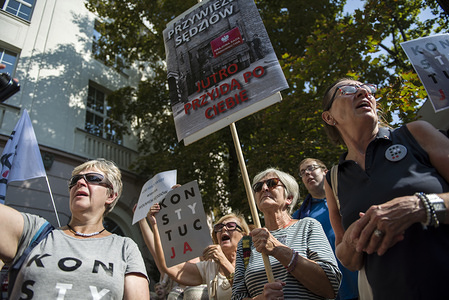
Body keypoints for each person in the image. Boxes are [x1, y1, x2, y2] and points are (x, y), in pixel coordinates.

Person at [320, 78, 449, 299]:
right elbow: (346, 258)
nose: (363, 92)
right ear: (329, 117)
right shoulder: (334, 179)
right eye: (348, 90)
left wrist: (420, 206)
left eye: (368, 88)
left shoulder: (415, 134)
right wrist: (353, 241)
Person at [0, 158, 149, 299]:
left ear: (111, 196)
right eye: (75, 180)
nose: (81, 182)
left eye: (93, 178)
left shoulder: (125, 248)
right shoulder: (33, 232)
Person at [232, 168, 342, 300]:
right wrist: (261, 299)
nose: (264, 188)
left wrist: (278, 250)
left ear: (289, 198)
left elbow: (330, 286)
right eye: (258, 186)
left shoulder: (307, 226)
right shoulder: (246, 243)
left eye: (272, 183)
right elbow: (237, 296)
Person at [147, 202, 250, 299]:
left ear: (243, 235)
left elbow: (246, 291)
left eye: (230, 226)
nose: (223, 229)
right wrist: (156, 226)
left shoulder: (253, 260)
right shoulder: (210, 267)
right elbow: (168, 265)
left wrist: (223, 261)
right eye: (219, 227)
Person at [292, 158, 358, 300]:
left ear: (325, 171)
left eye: (311, 168)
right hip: (333, 289)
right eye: (303, 172)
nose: (307, 174)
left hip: (362, 274)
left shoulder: (350, 198)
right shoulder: (299, 218)